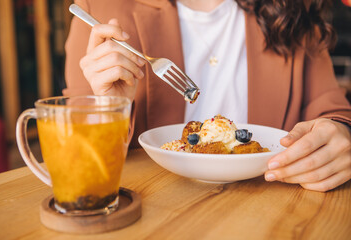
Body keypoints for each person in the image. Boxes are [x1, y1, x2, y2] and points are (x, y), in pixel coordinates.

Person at [64, 0, 351, 192]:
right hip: (151, 212)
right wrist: (108, 107)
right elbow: (75, 166)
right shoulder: (100, 7)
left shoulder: (292, 13)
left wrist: (341, 134)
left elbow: (334, 112)